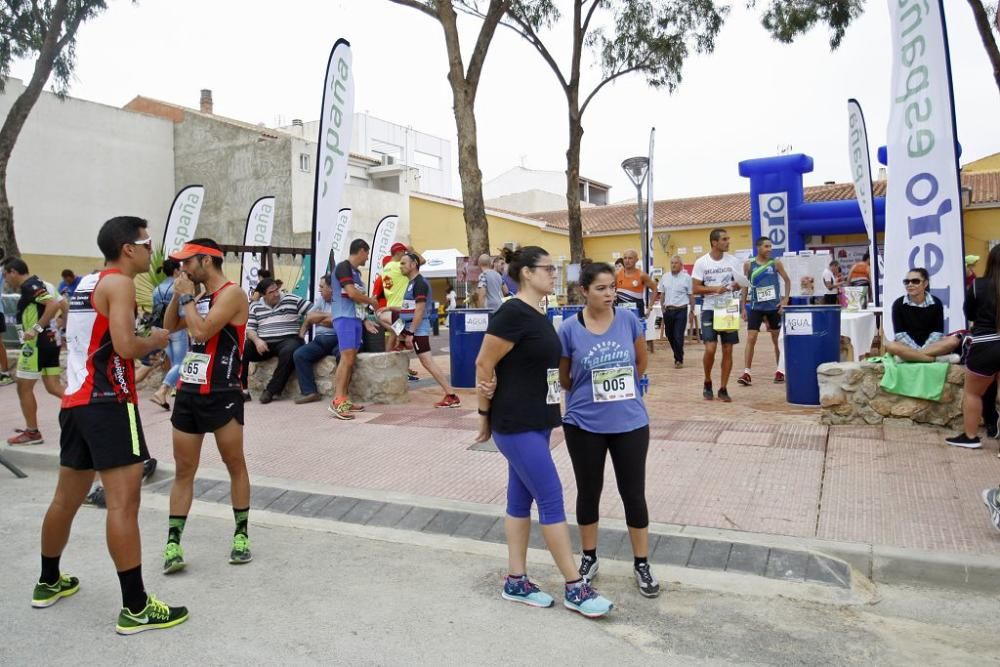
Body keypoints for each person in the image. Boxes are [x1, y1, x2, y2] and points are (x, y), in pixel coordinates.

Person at [35, 215, 187, 634]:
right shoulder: (119, 284)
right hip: (110, 403)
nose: (151, 249)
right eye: (147, 241)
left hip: (78, 403)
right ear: (128, 249)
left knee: (65, 499)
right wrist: (155, 341)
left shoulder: (86, 282)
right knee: (123, 504)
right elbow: (124, 346)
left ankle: (48, 582)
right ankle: (136, 608)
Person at [474, 246, 613, 619]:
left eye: (554, 268)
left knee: (520, 502)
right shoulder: (510, 312)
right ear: (526, 274)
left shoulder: (539, 311)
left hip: (537, 422)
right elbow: (484, 363)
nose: (554, 273)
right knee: (551, 497)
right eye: (547, 268)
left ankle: (516, 580)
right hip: (515, 422)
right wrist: (484, 414)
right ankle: (574, 586)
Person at [558, 262, 659, 598]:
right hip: (584, 423)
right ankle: (589, 558)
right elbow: (563, 377)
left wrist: (625, 389)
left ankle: (641, 562)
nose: (609, 294)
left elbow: (640, 361)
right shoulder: (569, 329)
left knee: (633, 493)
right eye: (600, 288)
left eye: (612, 287)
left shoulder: (629, 320)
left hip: (629, 422)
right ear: (584, 291)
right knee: (589, 492)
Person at [161, 238, 252, 572]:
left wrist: (186, 297)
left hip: (222, 390)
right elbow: (170, 328)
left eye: (188, 262)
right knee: (184, 470)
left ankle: (241, 535)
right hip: (188, 391)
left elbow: (200, 332)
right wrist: (178, 296)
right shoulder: (198, 295)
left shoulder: (232, 293)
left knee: (234, 464)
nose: (182, 268)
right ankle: (173, 544)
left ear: (207, 261)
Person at [379, 252, 461, 407]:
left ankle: (451, 395)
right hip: (408, 325)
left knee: (427, 362)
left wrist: (410, 333)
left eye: (403, 263)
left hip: (417, 328)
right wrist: (390, 307)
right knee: (382, 315)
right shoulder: (410, 283)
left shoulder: (420, 283)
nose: (401, 266)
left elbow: (419, 310)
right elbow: (408, 308)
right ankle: (401, 337)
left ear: (413, 265)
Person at [4, 257, 64, 445]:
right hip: (50, 342)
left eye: (6, 275)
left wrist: (36, 329)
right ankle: (88, 409)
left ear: (13, 272)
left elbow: (53, 304)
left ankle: (32, 432)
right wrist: (62, 326)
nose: (6, 280)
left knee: (23, 386)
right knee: (53, 386)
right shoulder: (41, 283)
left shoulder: (31, 285)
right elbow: (62, 303)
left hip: (36, 345)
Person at [948, 245, 1000, 449]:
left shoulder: (978, 285)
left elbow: (969, 314)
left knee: (973, 393)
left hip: (984, 344)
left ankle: (970, 437)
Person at [329, 238, 382, 420]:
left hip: (355, 319)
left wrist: (365, 318)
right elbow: (352, 293)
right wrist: (371, 301)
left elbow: (357, 298)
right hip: (344, 317)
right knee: (346, 358)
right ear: (361, 250)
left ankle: (344, 398)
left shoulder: (356, 273)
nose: (367, 258)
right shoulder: (343, 267)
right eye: (367, 254)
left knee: (350, 360)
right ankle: (337, 400)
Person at [692, 229, 743, 402]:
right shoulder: (701, 262)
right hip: (709, 308)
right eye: (724, 239)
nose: (728, 242)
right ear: (714, 242)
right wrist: (714, 288)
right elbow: (695, 288)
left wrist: (738, 286)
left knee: (728, 349)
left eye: (728, 238)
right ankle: (707, 381)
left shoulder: (734, 261)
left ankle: (723, 388)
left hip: (728, 307)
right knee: (710, 348)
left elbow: (741, 283)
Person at [240, 278, 311, 404]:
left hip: (288, 340)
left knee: (290, 350)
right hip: (264, 343)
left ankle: (271, 391)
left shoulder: (291, 299)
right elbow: (250, 330)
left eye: (276, 290)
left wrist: (303, 329)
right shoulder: (255, 306)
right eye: (271, 292)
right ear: (262, 295)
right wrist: (257, 341)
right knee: (245, 346)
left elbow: (313, 312)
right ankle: (243, 390)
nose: (276, 294)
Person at [738, 237, 791, 386]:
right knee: (751, 338)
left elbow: (787, 280)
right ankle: (746, 372)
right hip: (756, 307)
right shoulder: (749, 264)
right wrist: (743, 307)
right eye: (766, 246)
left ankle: (780, 371)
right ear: (758, 248)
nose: (770, 249)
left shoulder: (775, 263)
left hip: (773, 307)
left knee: (776, 340)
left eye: (770, 247)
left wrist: (785, 299)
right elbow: (744, 286)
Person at [884, 268, 960, 364]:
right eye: (906, 282)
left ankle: (909, 357)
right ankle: (935, 359)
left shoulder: (936, 303)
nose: (910, 284)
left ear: (925, 284)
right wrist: (915, 349)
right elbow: (900, 334)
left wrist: (918, 351)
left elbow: (937, 332)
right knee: (890, 346)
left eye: (915, 281)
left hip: (931, 346)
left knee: (953, 341)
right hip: (907, 345)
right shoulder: (898, 304)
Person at [292, 274, 340, 404]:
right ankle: (310, 392)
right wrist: (326, 317)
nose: (319, 290)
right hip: (320, 341)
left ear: (331, 288)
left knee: (343, 355)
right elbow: (309, 317)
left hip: (339, 339)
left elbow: (336, 321)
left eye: (322, 287)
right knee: (299, 354)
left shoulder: (342, 300)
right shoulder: (321, 300)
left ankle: (342, 394)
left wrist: (320, 318)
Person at [149, 259, 188, 410]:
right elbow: (183, 311)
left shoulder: (157, 289)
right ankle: (162, 391)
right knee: (181, 362)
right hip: (177, 328)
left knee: (173, 362)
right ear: (177, 271)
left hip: (160, 329)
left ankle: (168, 393)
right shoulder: (178, 287)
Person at [657, 255, 694, 368]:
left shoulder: (687, 278)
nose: (673, 265)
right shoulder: (665, 277)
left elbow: (691, 295)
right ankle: (679, 353)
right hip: (668, 310)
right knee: (669, 335)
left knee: (678, 336)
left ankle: (678, 359)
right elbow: (662, 293)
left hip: (681, 310)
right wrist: (662, 308)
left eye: (676, 263)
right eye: (672, 263)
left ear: (681, 265)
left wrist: (692, 311)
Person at [614, 249, 658, 313]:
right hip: (621, 311)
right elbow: (610, 289)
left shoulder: (642, 275)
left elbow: (654, 289)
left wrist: (650, 307)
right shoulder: (617, 274)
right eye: (625, 258)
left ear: (636, 260)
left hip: (637, 311)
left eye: (630, 258)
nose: (627, 261)